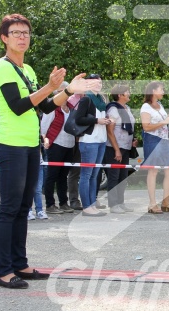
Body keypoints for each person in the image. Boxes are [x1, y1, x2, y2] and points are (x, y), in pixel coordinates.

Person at [0, 13, 90, 289]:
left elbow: (45, 106)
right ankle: (3, 271)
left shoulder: (28, 70)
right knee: (9, 207)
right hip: (10, 144)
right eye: (16, 33)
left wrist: (69, 89)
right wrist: (51, 85)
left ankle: (19, 264)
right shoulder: (2, 68)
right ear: (4, 38)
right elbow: (19, 106)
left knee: (23, 207)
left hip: (32, 144)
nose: (22, 37)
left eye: (26, 33)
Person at [74, 74, 112, 217]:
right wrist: (97, 121)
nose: (98, 84)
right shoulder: (86, 98)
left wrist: (106, 120)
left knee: (94, 175)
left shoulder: (102, 99)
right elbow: (79, 119)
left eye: (100, 82)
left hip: (101, 140)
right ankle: (86, 206)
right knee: (86, 175)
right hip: (89, 141)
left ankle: (92, 204)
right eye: (94, 82)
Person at [140, 81, 169, 214]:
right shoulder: (146, 107)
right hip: (152, 140)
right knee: (153, 171)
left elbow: (163, 122)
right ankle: (152, 204)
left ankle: (166, 202)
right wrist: (164, 121)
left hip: (164, 140)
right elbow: (146, 127)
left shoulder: (160, 105)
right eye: (161, 89)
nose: (163, 92)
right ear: (153, 91)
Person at [40, 82, 74, 217]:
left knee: (63, 176)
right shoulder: (52, 108)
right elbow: (44, 126)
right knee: (51, 175)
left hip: (69, 145)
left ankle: (63, 202)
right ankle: (49, 204)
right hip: (55, 144)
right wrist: (45, 140)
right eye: (60, 91)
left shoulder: (71, 108)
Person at [105, 84, 136, 214]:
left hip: (126, 147)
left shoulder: (127, 108)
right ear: (120, 95)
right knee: (114, 177)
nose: (129, 93)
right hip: (114, 148)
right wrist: (116, 149)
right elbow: (110, 131)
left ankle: (121, 203)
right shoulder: (113, 109)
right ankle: (113, 205)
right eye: (126, 92)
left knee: (123, 177)